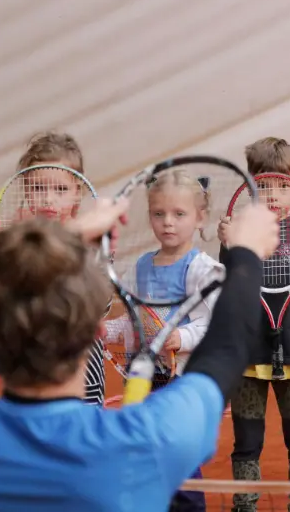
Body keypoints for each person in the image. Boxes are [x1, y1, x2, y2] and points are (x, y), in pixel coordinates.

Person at [0, 198, 280, 512]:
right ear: (96, 333)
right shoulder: (143, 442)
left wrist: (61, 239)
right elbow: (226, 350)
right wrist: (246, 253)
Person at [217, 137, 290, 512]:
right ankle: (245, 504)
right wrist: (227, 248)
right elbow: (231, 288)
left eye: (283, 185)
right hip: (248, 358)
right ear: (249, 186)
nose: (273, 195)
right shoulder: (241, 233)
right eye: (263, 185)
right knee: (246, 443)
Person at [103, 169, 223, 511]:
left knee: (180, 458)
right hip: (142, 380)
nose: (168, 222)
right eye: (159, 213)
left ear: (200, 217)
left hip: (181, 381)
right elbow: (134, 320)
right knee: (143, 453)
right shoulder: (140, 267)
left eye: (179, 214)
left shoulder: (204, 270)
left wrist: (179, 337)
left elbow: (215, 325)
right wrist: (107, 331)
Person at [0, 132, 109, 406]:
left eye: (60, 190)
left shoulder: (92, 241)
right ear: (25, 188)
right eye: (38, 188)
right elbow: (3, 300)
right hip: (30, 364)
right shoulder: (16, 238)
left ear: (78, 191)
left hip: (80, 369)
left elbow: (101, 304)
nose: (48, 199)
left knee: (81, 428)